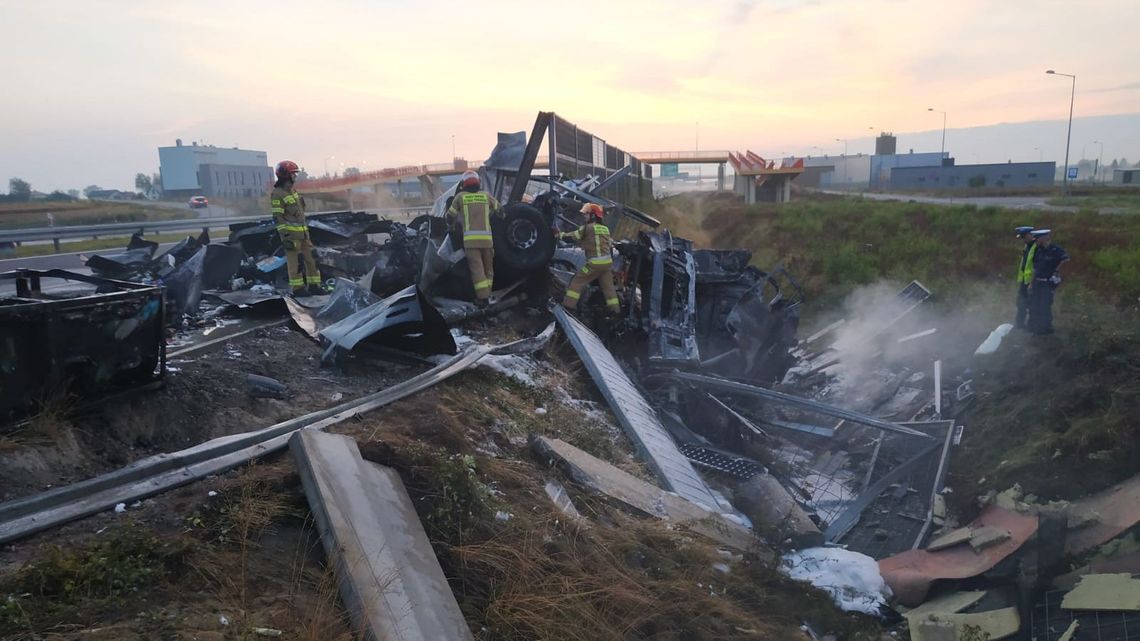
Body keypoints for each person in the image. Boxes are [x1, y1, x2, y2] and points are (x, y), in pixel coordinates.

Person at [447, 170, 500, 305]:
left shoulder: (460, 197)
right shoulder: (486, 196)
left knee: (477, 270)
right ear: (478, 183)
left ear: (464, 184)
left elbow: (450, 216)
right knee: (489, 270)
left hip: (471, 243)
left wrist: (451, 226)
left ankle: (483, 299)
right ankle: (488, 294)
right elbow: (501, 211)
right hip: (487, 242)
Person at [270, 160, 323, 296]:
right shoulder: (277, 194)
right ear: (285, 175)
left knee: (312, 260)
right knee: (296, 264)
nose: (295, 176)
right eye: (293, 174)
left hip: (304, 235)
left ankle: (314, 286)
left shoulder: (293, 191)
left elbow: (300, 213)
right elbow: (278, 218)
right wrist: (285, 236)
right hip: (291, 237)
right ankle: (298, 289)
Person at [559, 203, 620, 315]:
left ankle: (568, 308)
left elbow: (574, 235)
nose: (584, 216)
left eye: (586, 214)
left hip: (594, 264)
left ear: (593, 215)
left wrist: (559, 235)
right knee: (609, 289)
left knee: (577, 281)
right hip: (607, 265)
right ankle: (615, 312)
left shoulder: (588, 228)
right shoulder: (605, 229)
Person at [1027, 229, 1070, 335]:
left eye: (1037, 238)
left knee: (1045, 306)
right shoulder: (1038, 250)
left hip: (1048, 283)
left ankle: (1046, 329)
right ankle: (1035, 327)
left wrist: (1057, 272)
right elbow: (1035, 269)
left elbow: (1066, 261)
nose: (1036, 240)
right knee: (1034, 305)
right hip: (1037, 282)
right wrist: (1031, 284)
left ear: (1044, 238)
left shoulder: (1056, 250)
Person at [1013, 226, 1036, 329]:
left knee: (1031, 304)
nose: (1022, 240)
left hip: (1031, 281)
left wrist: (1032, 282)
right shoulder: (1027, 247)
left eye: (1023, 237)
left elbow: (1036, 266)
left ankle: (1031, 325)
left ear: (1030, 235)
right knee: (1020, 303)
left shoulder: (1035, 247)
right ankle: (1019, 324)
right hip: (1024, 281)